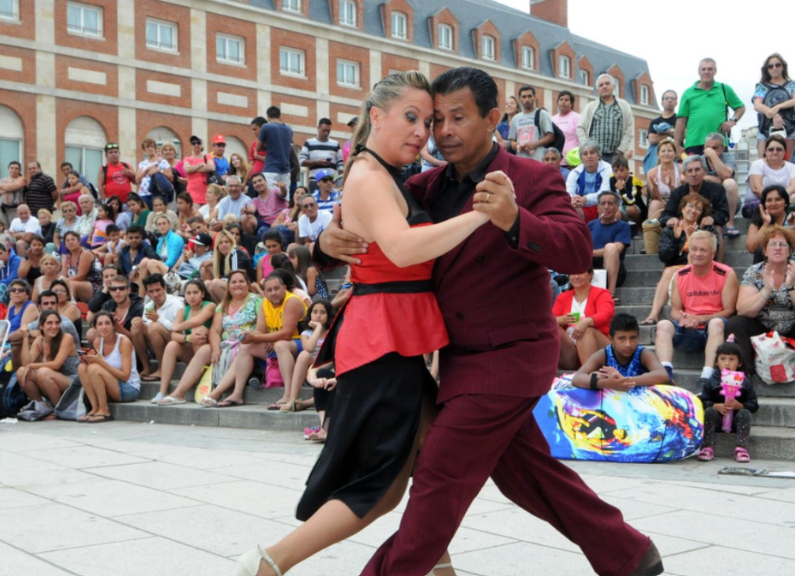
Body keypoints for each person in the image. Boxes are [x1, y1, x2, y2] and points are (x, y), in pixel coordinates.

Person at [257, 68, 663, 576]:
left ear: (493, 119)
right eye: (434, 120)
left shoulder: (532, 177)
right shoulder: (424, 185)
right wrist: (323, 246)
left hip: (510, 357)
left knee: (439, 474)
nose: (442, 131)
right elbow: (370, 239)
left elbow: (578, 247)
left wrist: (516, 219)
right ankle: (629, 554)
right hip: (453, 359)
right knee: (526, 473)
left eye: (456, 118)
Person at [726, 225, 795, 402]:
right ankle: (745, 379)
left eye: (783, 244)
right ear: (765, 250)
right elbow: (743, 309)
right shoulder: (754, 272)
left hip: (794, 330)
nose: (777, 248)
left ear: (789, 250)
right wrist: (766, 290)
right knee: (735, 323)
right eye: (773, 244)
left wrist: (791, 287)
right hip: (762, 331)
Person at [202, 272, 305, 408]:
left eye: (276, 288)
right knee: (246, 347)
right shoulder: (264, 303)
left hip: (300, 344)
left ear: (284, 288)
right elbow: (260, 330)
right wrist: (251, 337)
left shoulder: (292, 301)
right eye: (269, 290)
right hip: (278, 343)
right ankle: (237, 393)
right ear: (264, 292)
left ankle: (288, 395)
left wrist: (259, 337)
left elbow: (287, 334)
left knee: (281, 345)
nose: (273, 293)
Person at [654, 231, 738, 383]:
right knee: (663, 325)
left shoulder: (726, 273)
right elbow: (674, 310)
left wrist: (699, 319)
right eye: (694, 249)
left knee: (716, 322)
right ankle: (665, 373)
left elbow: (729, 310)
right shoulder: (680, 275)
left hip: (714, 330)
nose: (697, 254)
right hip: (689, 329)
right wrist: (686, 319)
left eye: (703, 250)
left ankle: (708, 375)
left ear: (713, 253)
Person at [643, 193, 714, 325]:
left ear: (702, 214)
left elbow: (711, 253)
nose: (693, 211)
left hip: (699, 269)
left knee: (671, 271)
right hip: (675, 269)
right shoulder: (670, 230)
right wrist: (676, 240)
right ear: (682, 208)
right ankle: (653, 315)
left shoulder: (707, 229)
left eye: (698, 209)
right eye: (690, 206)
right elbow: (664, 257)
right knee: (669, 271)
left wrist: (693, 239)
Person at [150, 279, 216, 405]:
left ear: (202, 293)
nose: (192, 296)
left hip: (208, 350)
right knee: (172, 345)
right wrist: (187, 338)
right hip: (192, 350)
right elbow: (174, 335)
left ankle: (180, 392)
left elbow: (197, 321)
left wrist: (177, 327)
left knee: (199, 329)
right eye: (188, 293)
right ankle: (162, 391)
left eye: (195, 292)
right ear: (184, 295)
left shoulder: (209, 305)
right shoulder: (182, 311)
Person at [570, 313, 670, 393]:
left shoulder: (642, 354)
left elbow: (662, 375)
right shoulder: (603, 354)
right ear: (611, 339)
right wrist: (606, 383)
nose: (628, 344)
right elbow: (577, 378)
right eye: (622, 338)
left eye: (633, 338)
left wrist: (626, 381)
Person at [696, 339, 758, 462]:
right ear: (716, 362)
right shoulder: (711, 381)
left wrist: (740, 406)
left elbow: (754, 405)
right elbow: (703, 401)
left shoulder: (745, 382)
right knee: (709, 411)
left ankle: (741, 448)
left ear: (739, 363)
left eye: (731, 359)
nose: (727, 363)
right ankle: (707, 447)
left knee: (745, 413)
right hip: (717, 422)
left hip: (736, 422)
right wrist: (715, 406)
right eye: (723, 359)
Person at [661, 155, 730, 260]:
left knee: (717, 228)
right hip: (683, 228)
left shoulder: (717, 189)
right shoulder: (677, 193)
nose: (693, 174)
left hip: (706, 227)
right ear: (684, 174)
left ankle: (717, 266)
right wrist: (670, 219)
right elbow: (665, 215)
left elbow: (724, 214)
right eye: (689, 171)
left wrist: (712, 218)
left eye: (697, 170)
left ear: (704, 172)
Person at [77, 311, 141, 422]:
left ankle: (104, 410)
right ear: (95, 328)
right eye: (100, 324)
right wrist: (87, 360)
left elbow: (125, 376)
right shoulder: (97, 342)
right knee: (82, 368)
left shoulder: (123, 342)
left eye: (107, 323)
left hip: (129, 388)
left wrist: (100, 362)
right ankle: (95, 408)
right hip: (111, 385)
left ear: (113, 326)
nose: (104, 327)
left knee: (94, 368)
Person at [674, 58, 745, 155]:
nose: (706, 72)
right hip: (694, 143)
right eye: (703, 69)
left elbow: (741, 107)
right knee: (694, 170)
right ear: (699, 71)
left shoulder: (724, 89)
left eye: (710, 69)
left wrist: (732, 121)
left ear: (715, 71)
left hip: (718, 143)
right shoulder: (688, 93)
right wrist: (676, 145)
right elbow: (681, 121)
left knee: (719, 170)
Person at [553, 267, 614, 370]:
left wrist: (586, 322)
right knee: (552, 327)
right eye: (573, 274)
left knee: (585, 330)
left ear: (590, 275)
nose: (576, 277)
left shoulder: (601, 293)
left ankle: (588, 375)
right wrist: (562, 319)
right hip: (570, 352)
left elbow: (606, 314)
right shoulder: (563, 297)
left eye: (580, 273)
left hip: (597, 348)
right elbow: (548, 320)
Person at [17, 309, 79, 409]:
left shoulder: (66, 338)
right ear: (41, 326)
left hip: (71, 381)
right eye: (49, 323)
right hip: (50, 381)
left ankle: (58, 408)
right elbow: (25, 364)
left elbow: (56, 364)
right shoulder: (39, 341)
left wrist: (32, 366)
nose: (54, 326)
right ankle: (41, 407)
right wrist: (25, 337)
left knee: (43, 372)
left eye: (57, 323)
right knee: (21, 371)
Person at [131, 273, 184, 381]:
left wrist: (159, 319)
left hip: (176, 345)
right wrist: (136, 320)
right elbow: (145, 329)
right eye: (151, 291)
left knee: (154, 327)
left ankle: (161, 368)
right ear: (146, 293)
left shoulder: (176, 304)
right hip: (156, 344)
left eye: (158, 290)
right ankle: (146, 367)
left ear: (164, 288)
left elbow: (179, 330)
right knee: (136, 327)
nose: (155, 294)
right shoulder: (148, 306)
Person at [752, 53, 795, 156]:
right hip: (766, 128)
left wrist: (777, 107)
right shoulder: (762, 87)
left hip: (789, 129)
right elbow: (757, 105)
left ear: (783, 66)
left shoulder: (792, 85)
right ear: (767, 69)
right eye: (770, 66)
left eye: (777, 65)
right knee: (763, 163)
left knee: (786, 164)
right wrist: (774, 114)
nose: (774, 68)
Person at [577, 74, 635, 161]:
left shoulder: (624, 106)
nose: (604, 86)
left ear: (613, 86)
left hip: (616, 156)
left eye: (607, 83)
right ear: (598, 90)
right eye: (601, 85)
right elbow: (580, 128)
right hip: (594, 155)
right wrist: (587, 146)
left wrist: (621, 149)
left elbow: (629, 129)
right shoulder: (590, 106)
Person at [745, 185, 795, 263]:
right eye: (769, 200)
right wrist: (766, 224)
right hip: (767, 267)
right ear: (764, 204)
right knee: (761, 250)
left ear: (786, 203)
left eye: (778, 199)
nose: (773, 203)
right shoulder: (758, 222)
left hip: (793, 264)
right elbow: (752, 248)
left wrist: (791, 223)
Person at [590, 191, 630, 302]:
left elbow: (617, 248)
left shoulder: (623, 226)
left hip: (613, 269)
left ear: (617, 207)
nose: (606, 207)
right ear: (598, 207)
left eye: (610, 203)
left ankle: (610, 293)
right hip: (591, 268)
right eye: (603, 204)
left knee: (611, 247)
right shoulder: (591, 225)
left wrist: (590, 252)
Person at [747, 135, 795, 216]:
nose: (775, 152)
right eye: (771, 149)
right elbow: (757, 189)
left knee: (794, 197)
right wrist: (774, 201)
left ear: (784, 152)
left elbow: (794, 186)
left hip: (781, 202)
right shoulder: (757, 164)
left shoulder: (791, 167)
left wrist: (779, 200)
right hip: (758, 202)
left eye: (779, 149)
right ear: (765, 152)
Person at [701, 132, 740, 236]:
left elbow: (726, 174)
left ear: (722, 148)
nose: (710, 150)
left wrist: (713, 156)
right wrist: (715, 179)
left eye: (715, 147)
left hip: (727, 202)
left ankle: (730, 223)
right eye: (708, 147)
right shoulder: (699, 159)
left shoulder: (728, 157)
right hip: (706, 201)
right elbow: (689, 177)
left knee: (730, 183)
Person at [565, 141, 612, 222]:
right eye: (585, 154)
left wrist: (585, 199)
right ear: (581, 158)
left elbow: (605, 193)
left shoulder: (608, 169)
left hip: (601, 205)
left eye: (592, 153)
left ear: (598, 155)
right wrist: (574, 200)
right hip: (581, 206)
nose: (589, 156)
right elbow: (568, 193)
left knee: (605, 205)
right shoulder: (575, 172)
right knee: (572, 208)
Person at [508, 85, 555, 161]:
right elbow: (512, 140)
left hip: (538, 160)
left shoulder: (542, 114)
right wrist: (516, 145)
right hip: (520, 160)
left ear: (534, 97)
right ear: (520, 99)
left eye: (530, 96)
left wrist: (534, 144)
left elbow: (551, 136)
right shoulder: (515, 118)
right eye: (524, 97)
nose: (527, 99)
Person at [258, 106, 295, 196]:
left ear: (268, 117)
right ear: (280, 116)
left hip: (271, 168)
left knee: (270, 198)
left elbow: (258, 148)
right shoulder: (289, 129)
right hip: (286, 170)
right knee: (284, 199)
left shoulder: (266, 127)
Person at [60, 231, 101, 303]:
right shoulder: (67, 257)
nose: (70, 242)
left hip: (94, 285)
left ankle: (71, 308)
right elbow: (63, 276)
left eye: (73, 239)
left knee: (71, 284)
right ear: (65, 244)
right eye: (68, 240)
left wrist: (63, 282)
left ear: (79, 241)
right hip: (75, 283)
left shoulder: (85, 253)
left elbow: (81, 276)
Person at [644, 90, 678, 170]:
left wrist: (662, 134)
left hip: (677, 158)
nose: (670, 100)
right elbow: (652, 139)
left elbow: (685, 134)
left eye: (672, 98)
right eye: (667, 98)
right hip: (658, 161)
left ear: (676, 102)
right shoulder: (655, 122)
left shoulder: (680, 120)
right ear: (662, 102)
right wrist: (671, 133)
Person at [645, 137, 682, 209]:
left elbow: (681, 195)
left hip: (679, 202)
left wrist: (670, 185)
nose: (666, 153)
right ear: (658, 154)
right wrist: (655, 187)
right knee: (654, 204)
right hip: (660, 203)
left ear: (675, 154)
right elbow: (655, 198)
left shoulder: (681, 169)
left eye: (669, 150)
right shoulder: (651, 173)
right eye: (663, 151)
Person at [137, 138, 173, 205]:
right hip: (143, 193)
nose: (150, 148)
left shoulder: (163, 162)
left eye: (152, 146)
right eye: (147, 147)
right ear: (144, 150)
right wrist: (147, 170)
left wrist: (159, 171)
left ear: (155, 148)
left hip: (158, 193)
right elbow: (137, 180)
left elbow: (171, 177)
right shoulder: (142, 164)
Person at [551, 90, 581, 166]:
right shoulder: (552, 119)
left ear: (571, 104)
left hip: (572, 162)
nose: (563, 102)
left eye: (566, 100)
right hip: (555, 162)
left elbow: (582, 138)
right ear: (557, 103)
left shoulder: (577, 117)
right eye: (561, 99)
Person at [183, 135, 214, 206]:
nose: (196, 145)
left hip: (206, 192)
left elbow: (211, 167)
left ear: (202, 145)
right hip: (192, 193)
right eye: (194, 143)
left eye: (198, 143)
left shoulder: (207, 157)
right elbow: (187, 170)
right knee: (195, 215)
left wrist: (193, 169)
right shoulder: (187, 158)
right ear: (191, 146)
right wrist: (200, 165)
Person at [0, 160, 27, 226]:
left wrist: (0, 186)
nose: (14, 170)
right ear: (8, 169)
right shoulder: (3, 180)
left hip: (15, 209)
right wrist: (8, 189)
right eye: (12, 168)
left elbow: (15, 186)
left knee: (15, 227)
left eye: (16, 168)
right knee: (3, 227)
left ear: (19, 170)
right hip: (2, 208)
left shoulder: (21, 179)